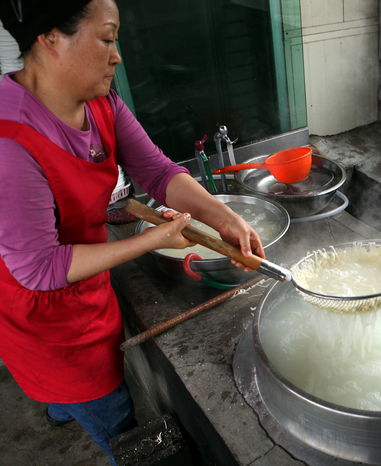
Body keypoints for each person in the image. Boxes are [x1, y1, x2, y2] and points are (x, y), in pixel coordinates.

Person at [0, 1, 266, 464]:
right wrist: (153, 239)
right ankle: (75, 405)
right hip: (46, 322)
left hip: (85, 284)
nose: (117, 54)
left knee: (82, 388)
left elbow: (159, 172)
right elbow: (39, 269)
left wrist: (224, 217)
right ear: (50, 39)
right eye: (106, 38)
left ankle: (64, 406)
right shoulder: (10, 142)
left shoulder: (100, 103)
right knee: (114, 414)